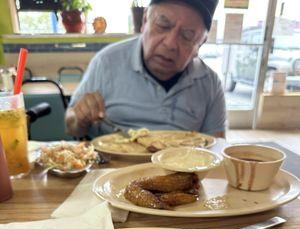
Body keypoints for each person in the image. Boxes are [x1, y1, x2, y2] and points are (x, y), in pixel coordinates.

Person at [66, 0, 226, 139]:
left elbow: (216, 147)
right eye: (163, 25)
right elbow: (71, 125)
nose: (170, 44)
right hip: (110, 170)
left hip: (180, 171)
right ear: (144, 21)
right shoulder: (106, 61)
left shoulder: (209, 82)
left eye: (187, 35)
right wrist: (80, 117)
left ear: (200, 44)